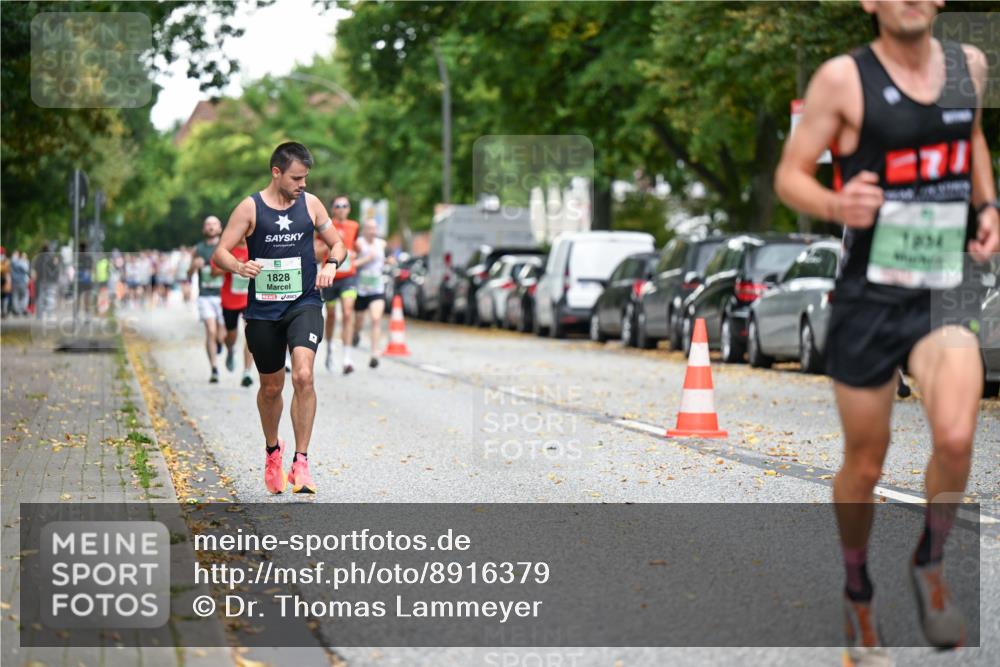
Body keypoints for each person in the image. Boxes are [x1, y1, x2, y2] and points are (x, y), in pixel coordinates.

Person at [774, 2, 998, 665]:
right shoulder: (842, 80)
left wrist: (987, 205)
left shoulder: (971, 68)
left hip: (941, 289)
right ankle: (857, 590)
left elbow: (972, 138)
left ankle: (929, 561)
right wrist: (836, 203)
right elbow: (790, 174)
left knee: (957, 435)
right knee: (865, 463)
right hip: (868, 297)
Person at [213, 141, 346, 495]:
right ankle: (274, 450)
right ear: (276, 173)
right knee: (271, 388)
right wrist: (240, 266)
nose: (302, 184)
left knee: (303, 375)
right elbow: (220, 252)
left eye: (305, 177)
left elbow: (339, 244)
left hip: (304, 302)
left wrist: (332, 264)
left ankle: (301, 463)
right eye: (296, 177)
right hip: (263, 311)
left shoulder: (311, 204)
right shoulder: (250, 208)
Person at [319, 196, 360, 374]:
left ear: (349, 209)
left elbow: (357, 246)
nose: (342, 208)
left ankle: (347, 358)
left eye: (345, 206)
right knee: (331, 316)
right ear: (333, 209)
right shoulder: (326, 226)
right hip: (330, 277)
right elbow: (315, 249)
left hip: (348, 277)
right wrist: (331, 250)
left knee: (348, 312)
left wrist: (356, 254)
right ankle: (328, 350)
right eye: (338, 206)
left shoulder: (354, 226)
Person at [212, 238, 255, 387]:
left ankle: (247, 372)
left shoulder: (255, 246)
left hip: (249, 299)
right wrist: (234, 266)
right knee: (231, 335)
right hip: (230, 300)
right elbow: (214, 271)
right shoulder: (227, 249)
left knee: (251, 333)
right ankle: (230, 350)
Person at [190, 217, 227, 383]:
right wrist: (193, 267)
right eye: (208, 224)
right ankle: (214, 369)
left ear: (220, 228)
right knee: (210, 331)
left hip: (223, 296)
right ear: (204, 228)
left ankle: (220, 343)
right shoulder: (197, 249)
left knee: (222, 335)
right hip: (205, 296)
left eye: (214, 224)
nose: (211, 227)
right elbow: (187, 275)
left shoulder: (225, 246)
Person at [353, 219, 388, 368]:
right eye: (369, 228)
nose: (372, 231)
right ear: (364, 230)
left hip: (377, 289)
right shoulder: (358, 243)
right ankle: (356, 333)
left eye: (374, 228)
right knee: (359, 320)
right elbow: (352, 264)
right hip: (361, 289)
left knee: (375, 319)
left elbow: (384, 261)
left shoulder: (382, 244)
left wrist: (389, 261)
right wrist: (367, 258)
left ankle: (374, 352)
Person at [11, 250, 30, 316]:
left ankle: (16, 310)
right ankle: (22, 309)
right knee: (24, 295)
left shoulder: (12, 262)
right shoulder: (22, 263)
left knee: (15, 296)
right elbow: (26, 269)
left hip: (14, 281)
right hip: (22, 281)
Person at [0, 247, 12, 318]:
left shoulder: (6, 261)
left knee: (4, 296)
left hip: (4, 279)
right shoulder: (6, 260)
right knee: (5, 296)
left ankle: (3, 311)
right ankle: (4, 311)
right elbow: (8, 271)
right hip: (5, 279)